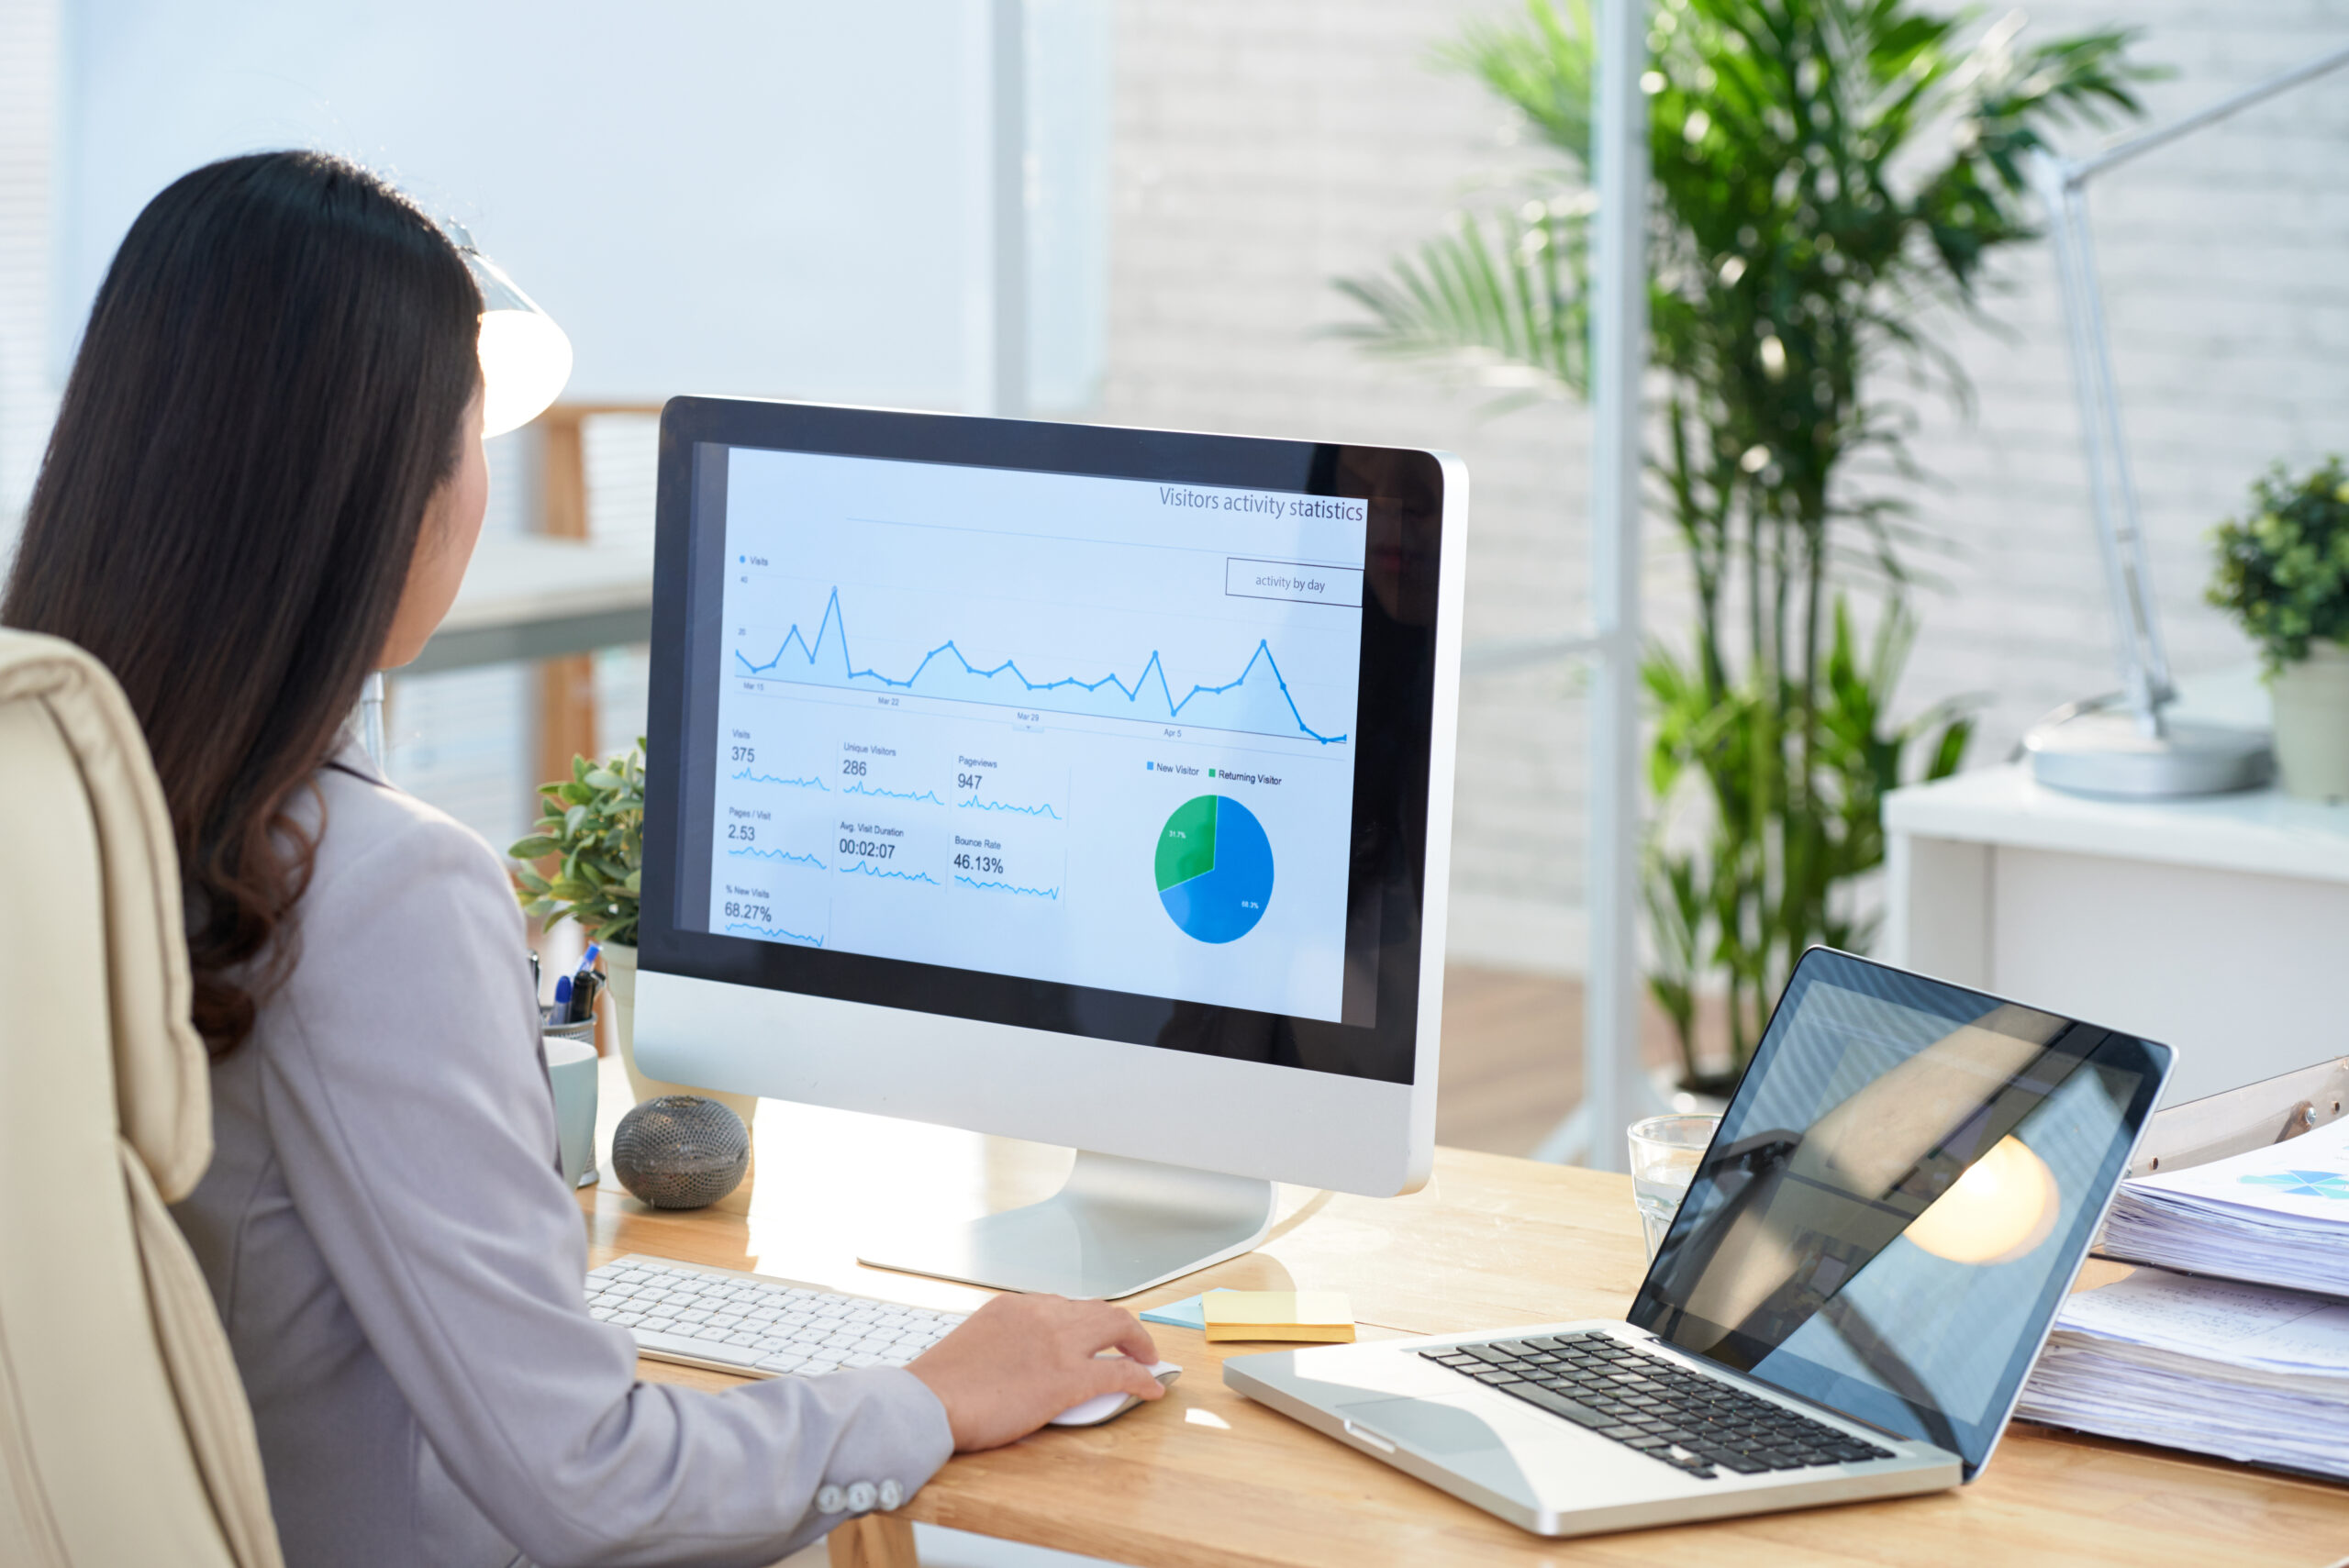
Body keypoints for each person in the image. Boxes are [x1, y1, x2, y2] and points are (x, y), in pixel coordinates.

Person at [0, 150, 1163, 1568]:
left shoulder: (67, 787)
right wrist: (929, 1389)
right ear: (391, 497)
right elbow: (588, 1481)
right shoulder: (369, 883)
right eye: (475, 444)